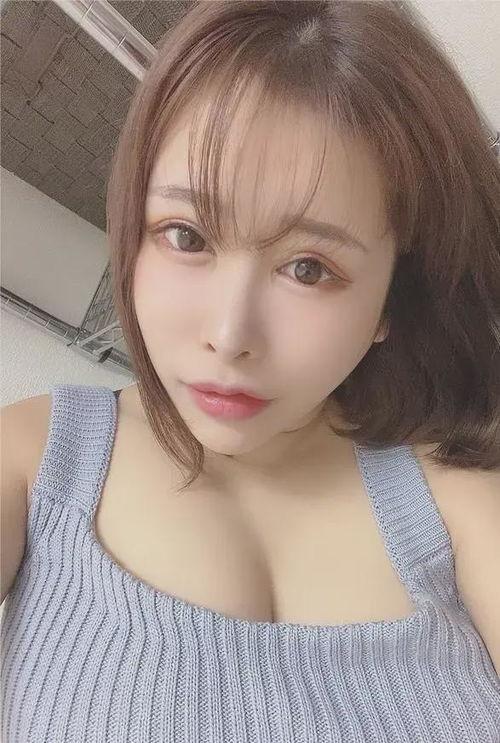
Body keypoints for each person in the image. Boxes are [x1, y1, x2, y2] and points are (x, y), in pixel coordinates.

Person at [1, 1, 499, 741]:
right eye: (186, 235)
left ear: (391, 302)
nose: (229, 335)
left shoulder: (457, 498)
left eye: (309, 268)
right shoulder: (29, 460)